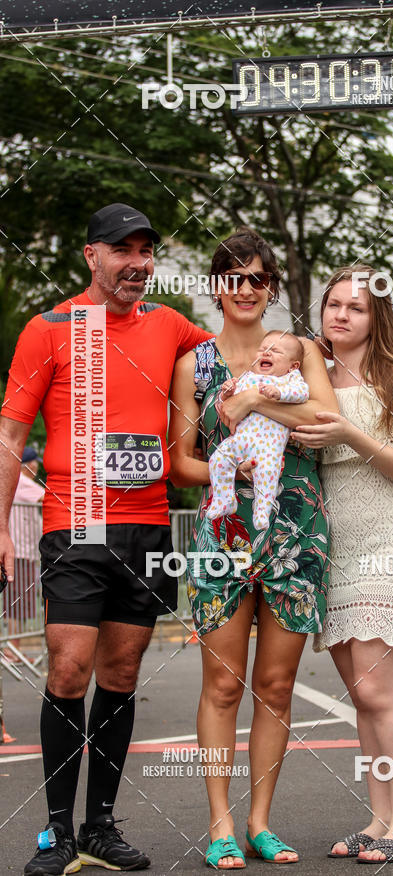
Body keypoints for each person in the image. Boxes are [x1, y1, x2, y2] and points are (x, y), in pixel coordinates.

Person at [0, 203, 212, 876]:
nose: (138, 263)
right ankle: (58, 832)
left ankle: (100, 827)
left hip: (148, 524)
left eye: (147, 251)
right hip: (74, 523)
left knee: (121, 674)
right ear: (92, 256)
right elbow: (9, 437)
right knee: (68, 668)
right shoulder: (50, 328)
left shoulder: (171, 325)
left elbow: (233, 357)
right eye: (124, 250)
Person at [169, 227, 337, 869]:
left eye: (258, 278)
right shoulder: (195, 364)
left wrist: (254, 397)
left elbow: (326, 425)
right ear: (217, 287)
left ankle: (261, 823)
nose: (245, 289)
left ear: (271, 288)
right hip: (226, 533)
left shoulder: (303, 353)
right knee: (222, 684)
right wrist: (227, 465)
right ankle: (219, 825)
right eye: (233, 277)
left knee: (276, 683)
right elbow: (180, 463)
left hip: (297, 532)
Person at [291, 265, 393, 865]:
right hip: (338, 553)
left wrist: (352, 435)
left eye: (356, 307)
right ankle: (380, 820)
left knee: (382, 689)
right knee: (361, 694)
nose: (341, 315)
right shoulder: (312, 380)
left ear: (378, 318)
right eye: (333, 304)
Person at [207, 331, 309, 530]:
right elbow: (230, 404)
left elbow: (302, 393)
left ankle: (262, 509)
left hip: (269, 445)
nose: (267, 353)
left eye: (276, 351)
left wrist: (280, 393)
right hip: (242, 438)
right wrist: (228, 391)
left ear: (293, 366)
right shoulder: (249, 377)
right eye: (263, 349)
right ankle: (223, 499)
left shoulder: (290, 380)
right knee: (218, 460)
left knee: (267, 473)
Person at [3, 447, 44, 657]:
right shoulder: (22, 482)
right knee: (16, 602)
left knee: (18, 602)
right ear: (30, 464)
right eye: (35, 462)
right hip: (20, 553)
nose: (37, 466)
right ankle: (12, 649)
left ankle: (14, 648)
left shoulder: (17, 482)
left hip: (23, 552)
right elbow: (48, 499)